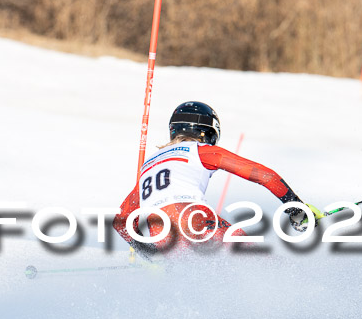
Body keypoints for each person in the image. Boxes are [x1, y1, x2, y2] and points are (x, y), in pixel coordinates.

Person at [113, 101, 323, 256]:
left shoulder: (149, 165)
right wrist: (297, 207)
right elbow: (265, 176)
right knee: (260, 263)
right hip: (192, 219)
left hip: (161, 235)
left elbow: (121, 221)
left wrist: (150, 255)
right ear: (207, 131)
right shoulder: (201, 151)